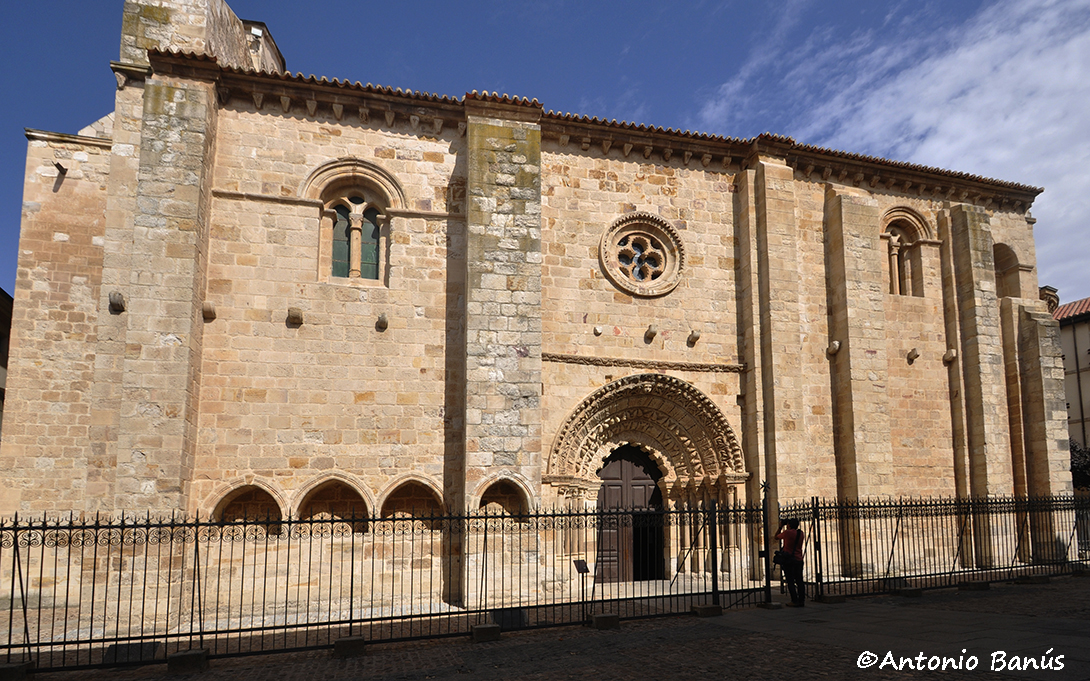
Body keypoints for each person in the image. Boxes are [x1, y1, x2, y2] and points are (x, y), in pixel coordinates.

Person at [775, 518, 805, 607]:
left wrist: (780, 527)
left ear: (789, 525)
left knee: (790, 581)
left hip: (789, 560)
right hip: (799, 559)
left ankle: (794, 600)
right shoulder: (801, 533)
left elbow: (776, 537)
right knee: (799, 581)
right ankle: (801, 600)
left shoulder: (787, 533)